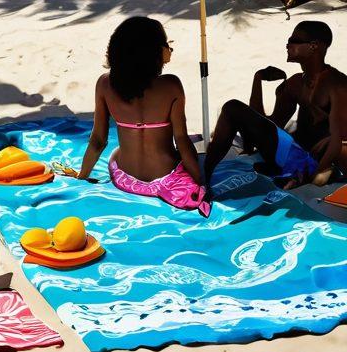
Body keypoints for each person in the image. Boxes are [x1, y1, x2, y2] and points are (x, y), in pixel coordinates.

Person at [77, 16, 209, 216]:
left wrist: (81, 177)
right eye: (166, 44)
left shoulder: (104, 85)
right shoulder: (171, 86)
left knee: (116, 152)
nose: (169, 48)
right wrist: (200, 181)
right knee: (189, 151)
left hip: (124, 178)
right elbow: (181, 140)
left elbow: (98, 141)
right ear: (153, 52)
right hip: (167, 178)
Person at [204, 20, 347, 189]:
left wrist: (313, 175)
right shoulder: (295, 83)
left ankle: (298, 174)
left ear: (314, 46)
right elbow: (269, 124)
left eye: (294, 40)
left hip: (318, 162)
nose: (288, 44)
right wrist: (258, 80)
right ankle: (205, 175)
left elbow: (339, 140)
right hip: (291, 154)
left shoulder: (337, 84)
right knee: (232, 107)